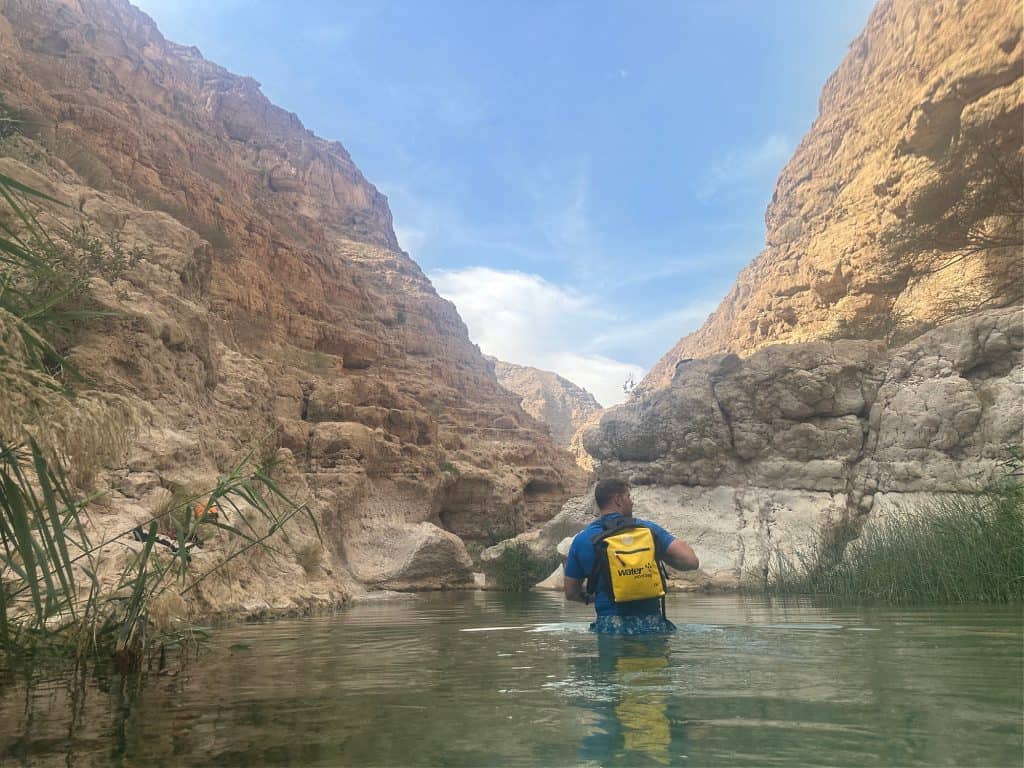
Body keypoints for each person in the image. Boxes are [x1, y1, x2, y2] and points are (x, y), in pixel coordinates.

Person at [564, 479, 699, 634]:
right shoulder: (648, 531)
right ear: (618, 500)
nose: (632, 502)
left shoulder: (582, 540)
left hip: (610, 627)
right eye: (629, 497)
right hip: (651, 624)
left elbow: (571, 592)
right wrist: (657, 552)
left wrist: (601, 596)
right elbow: (691, 561)